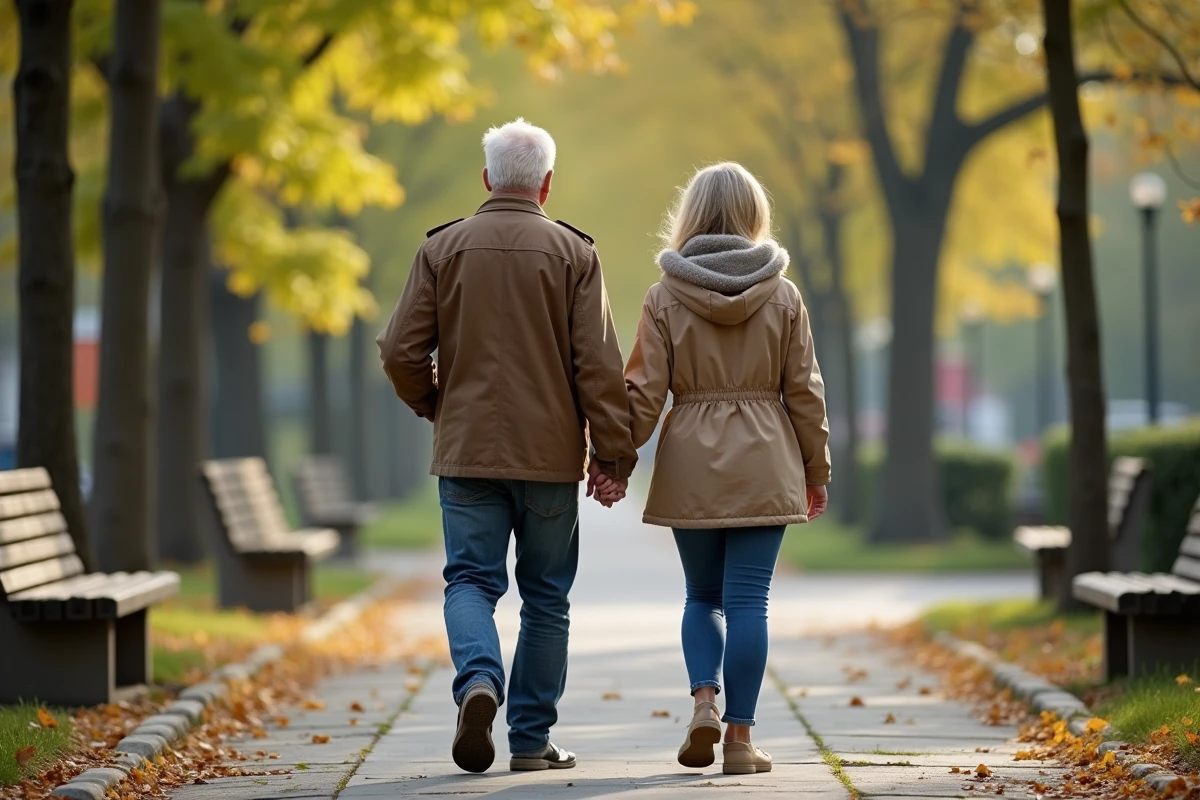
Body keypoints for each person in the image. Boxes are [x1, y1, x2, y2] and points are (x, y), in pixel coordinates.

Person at [376, 118, 637, 774]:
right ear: (546, 184)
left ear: (487, 178)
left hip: (466, 453)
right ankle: (529, 741)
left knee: (469, 579)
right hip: (549, 460)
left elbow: (400, 350)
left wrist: (438, 404)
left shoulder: (442, 249)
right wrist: (612, 457)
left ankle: (479, 682)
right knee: (546, 596)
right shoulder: (576, 254)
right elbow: (599, 369)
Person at [596, 162, 831, 775]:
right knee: (750, 600)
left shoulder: (663, 295)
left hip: (691, 461)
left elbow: (643, 395)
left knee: (702, 596)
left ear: (690, 214)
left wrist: (614, 461)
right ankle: (739, 739)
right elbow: (804, 391)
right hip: (766, 458)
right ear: (755, 214)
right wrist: (817, 468)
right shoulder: (783, 294)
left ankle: (704, 699)